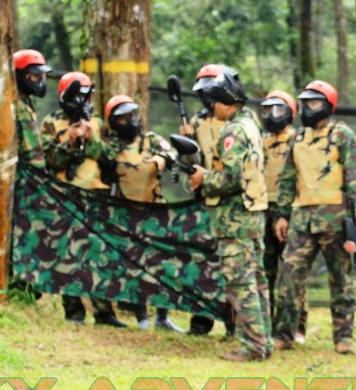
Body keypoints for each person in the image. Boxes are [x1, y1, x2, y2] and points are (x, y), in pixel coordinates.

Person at [272, 81, 356, 355]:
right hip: (301, 218)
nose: (307, 109)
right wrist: (281, 215)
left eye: (313, 104)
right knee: (289, 276)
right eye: (305, 104)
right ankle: (284, 334)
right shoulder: (297, 138)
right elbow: (288, 180)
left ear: (327, 106)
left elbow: (355, 178)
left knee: (340, 278)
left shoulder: (342, 136)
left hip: (335, 218)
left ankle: (343, 338)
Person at [189, 67, 272, 361]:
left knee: (241, 283)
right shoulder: (250, 121)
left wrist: (203, 180)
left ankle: (253, 346)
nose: (209, 109)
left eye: (210, 101)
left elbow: (232, 177)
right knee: (257, 281)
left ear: (222, 99)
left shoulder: (234, 130)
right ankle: (264, 341)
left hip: (235, 217)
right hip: (252, 213)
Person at [39, 71, 125, 327]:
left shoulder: (98, 124)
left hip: (95, 196)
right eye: (79, 96)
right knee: (67, 255)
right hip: (64, 197)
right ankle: (73, 311)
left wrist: (90, 139)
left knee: (99, 255)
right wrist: (69, 142)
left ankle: (104, 312)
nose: (84, 102)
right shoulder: (51, 123)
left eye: (87, 96)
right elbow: (46, 160)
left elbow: (113, 157)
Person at [102, 94, 184, 332]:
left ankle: (162, 317)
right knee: (134, 268)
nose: (131, 121)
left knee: (164, 266)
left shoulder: (150, 140)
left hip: (156, 211)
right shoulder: (112, 146)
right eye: (124, 118)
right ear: (114, 122)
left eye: (133, 115)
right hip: (126, 214)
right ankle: (141, 318)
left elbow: (173, 154)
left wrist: (162, 158)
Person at [180, 63, 232, 337]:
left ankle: (235, 323)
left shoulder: (241, 122)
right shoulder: (198, 122)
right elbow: (192, 164)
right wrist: (187, 143)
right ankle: (201, 321)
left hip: (233, 202)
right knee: (201, 262)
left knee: (234, 266)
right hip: (205, 203)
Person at [259, 90, 307, 343]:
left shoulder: (298, 140)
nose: (271, 116)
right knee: (266, 271)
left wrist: (287, 212)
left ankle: (297, 325)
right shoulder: (259, 140)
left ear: (290, 113)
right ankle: (268, 323)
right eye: (267, 110)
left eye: (278, 110)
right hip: (261, 208)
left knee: (291, 271)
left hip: (288, 210)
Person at [9, 49, 52, 293]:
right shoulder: (16, 102)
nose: (39, 81)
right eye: (34, 77)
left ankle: (24, 283)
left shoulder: (25, 102)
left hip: (28, 179)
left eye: (41, 77)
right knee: (23, 230)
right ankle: (19, 283)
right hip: (23, 179)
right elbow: (30, 150)